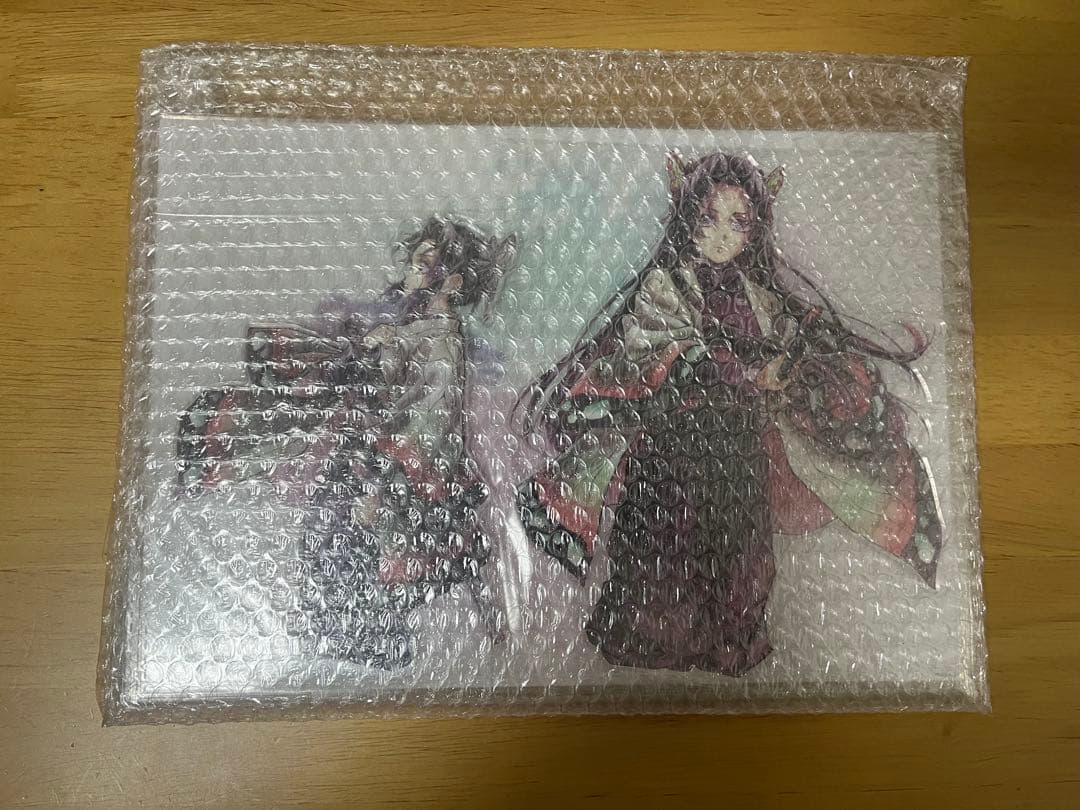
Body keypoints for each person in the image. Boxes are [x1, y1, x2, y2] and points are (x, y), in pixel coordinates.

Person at [515, 151, 942, 675]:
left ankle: (727, 646)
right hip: (673, 449)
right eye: (708, 219)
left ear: (754, 230)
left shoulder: (762, 299)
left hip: (739, 452)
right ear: (687, 221)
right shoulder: (666, 287)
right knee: (663, 555)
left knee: (739, 558)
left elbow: (788, 351)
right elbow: (665, 352)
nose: (721, 235)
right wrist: (746, 374)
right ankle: (647, 645)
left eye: (737, 222)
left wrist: (805, 366)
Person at [178, 216, 516, 668]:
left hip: (397, 477)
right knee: (327, 535)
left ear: (452, 281)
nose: (410, 269)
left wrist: (380, 486)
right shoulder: (416, 327)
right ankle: (333, 630)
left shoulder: (443, 345)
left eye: (423, 264)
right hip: (367, 458)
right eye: (414, 259)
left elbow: (429, 428)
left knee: (352, 545)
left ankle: (361, 638)